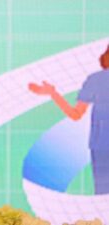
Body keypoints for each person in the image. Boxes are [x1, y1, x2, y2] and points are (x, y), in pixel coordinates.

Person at [29, 44, 109, 194]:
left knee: (103, 195)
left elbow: (75, 114)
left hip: (100, 145)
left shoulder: (95, 80)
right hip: (101, 145)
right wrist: (53, 93)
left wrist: (53, 93)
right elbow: (76, 114)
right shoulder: (95, 80)